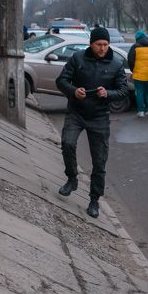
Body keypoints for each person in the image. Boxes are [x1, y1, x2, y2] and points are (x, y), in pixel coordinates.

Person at [54, 27, 129, 218]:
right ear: (91, 44)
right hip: (76, 112)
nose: (103, 48)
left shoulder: (116, 64)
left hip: (99, 117)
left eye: (105, 44)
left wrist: (108, 93)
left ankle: (94, 200)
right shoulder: (78, 58)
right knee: (67, 143)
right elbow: (61, 81)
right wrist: (73, 91)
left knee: (99, 161)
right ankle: (72, 178)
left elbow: (123, 90)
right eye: (99, 44)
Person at [126, 31, 148, 117]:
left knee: (139, 92)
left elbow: (130, 60)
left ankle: (141, 111)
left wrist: (133, 70)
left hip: (138, 74)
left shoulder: (135, 46)